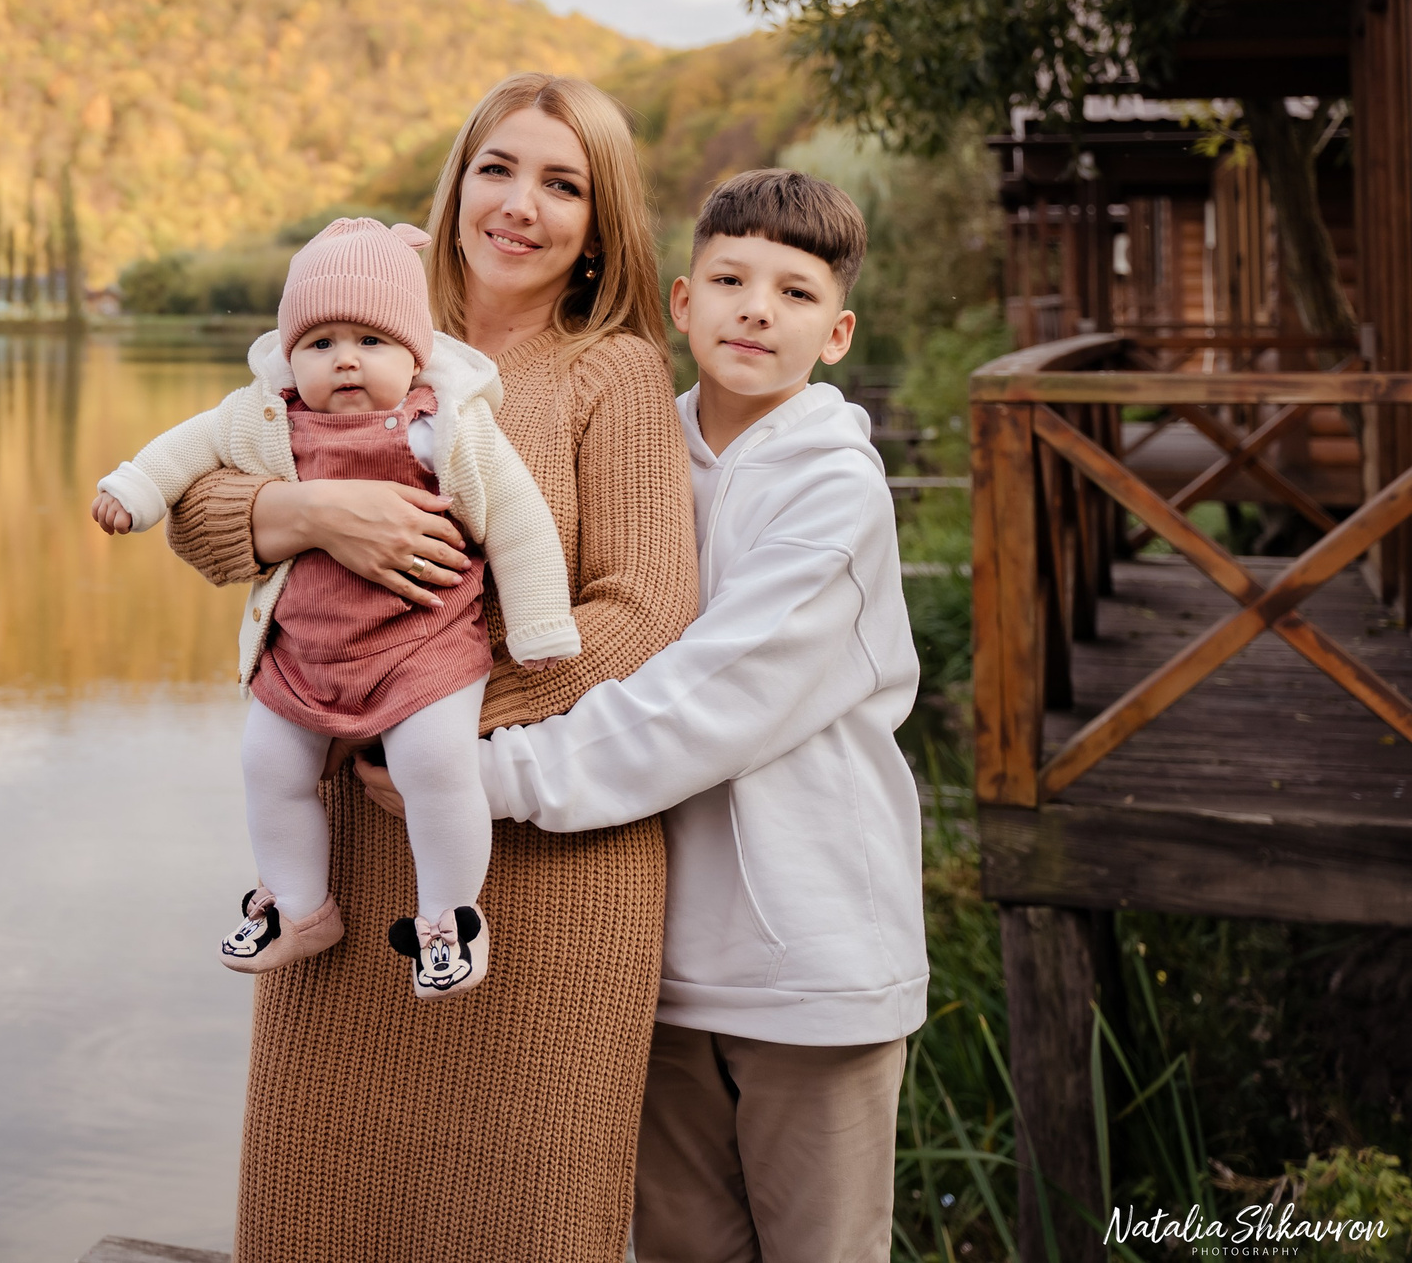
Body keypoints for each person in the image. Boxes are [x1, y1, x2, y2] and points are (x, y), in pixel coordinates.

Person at [165, 73, 699, 1263]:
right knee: (323, 1208)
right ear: (458, 180)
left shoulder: (609, 372)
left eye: (562, 183)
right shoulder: (363, 323)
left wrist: (440, 707)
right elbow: (199, 509)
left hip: (547, 865)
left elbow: (645, 608)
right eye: (499, 167)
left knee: (524, 1220)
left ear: (600, 222)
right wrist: (312, 511)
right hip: (353, 855)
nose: (521, 204)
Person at [367, 167, 926, 1260]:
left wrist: (481, 776)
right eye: (728, 277)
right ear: (680, 302)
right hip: (656, 959)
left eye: (795, 292)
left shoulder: (834, 489)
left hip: (811, 963)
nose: (756, 307)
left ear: (838, 331)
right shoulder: (636, 445)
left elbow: (708, 701)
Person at [92, 217, 579, 998]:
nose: (345, 359)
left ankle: (449, 917)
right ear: (289, 357)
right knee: (268, 764)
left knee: (436, 764)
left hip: (422, 650)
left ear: (414, 353)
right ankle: (298, 904)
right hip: (306, 657)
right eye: (319, 344)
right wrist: (133, 491)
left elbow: (517, 516)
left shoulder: (440, 428)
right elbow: (182, 451)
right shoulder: (263, 420)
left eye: (370, 341)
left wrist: (539, 621)